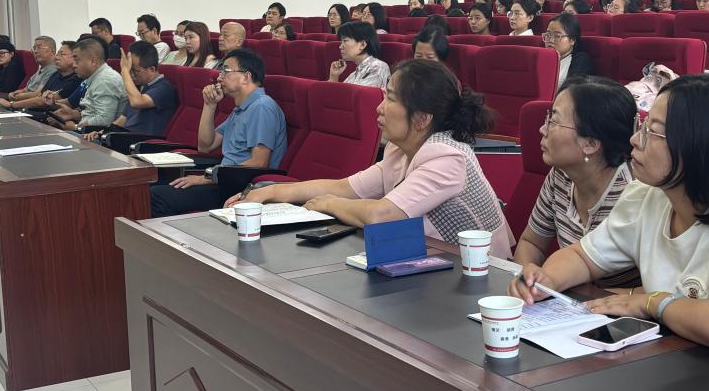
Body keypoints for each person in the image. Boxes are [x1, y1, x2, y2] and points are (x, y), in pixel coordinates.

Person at [509, 73, 709, 353]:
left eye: (652, 132)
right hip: (693, 359)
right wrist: (546, 279)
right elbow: (582, 257)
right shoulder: (649, 199)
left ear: (700, 147)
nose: (634, 140)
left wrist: (651, 302)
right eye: (642, 127)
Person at [230, 60, 513, 257]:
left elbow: (381, 215)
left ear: (422, 118)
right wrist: (270, 192)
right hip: (429, 256)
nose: (379, 107)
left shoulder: (447, 157)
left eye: (390, 99)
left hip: (479, 273)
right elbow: (346, 187)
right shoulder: (399, 149)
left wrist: (329, 204)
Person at [513, 76, 638, 287]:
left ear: (590, 144)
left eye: (553, 121)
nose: (542, 129)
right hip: (567, 300)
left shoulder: (633, 193)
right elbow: (531, 242)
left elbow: (659, 288)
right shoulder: (561, 175)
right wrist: (527, 280)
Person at [150, 48, 287, 216]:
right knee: (156, 184)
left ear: (246, 77)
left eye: (226, 71)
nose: (219, 77)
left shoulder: (261, 107)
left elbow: (259, 163)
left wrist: (207, 178)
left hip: (240, 188)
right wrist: (209, 105)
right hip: (224, 180)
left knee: (158, 196)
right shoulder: (241, 109)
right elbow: (205, 146)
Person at [85, 41, 177, 143]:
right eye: (130, 71)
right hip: (124, 137)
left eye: (135, 71)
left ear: (152, 69)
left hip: (142, 143)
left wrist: (125, 71)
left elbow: (137, 102)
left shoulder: (164, 88)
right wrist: (101, 133)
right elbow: (122, 119)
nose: (132, 75)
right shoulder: (139, 88)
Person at [46, 36, 125, 132]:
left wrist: (76, 127)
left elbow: (104, 121)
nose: (74, 65)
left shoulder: (105, 80)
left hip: (96, 137)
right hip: (87, 132)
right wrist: (73, 114)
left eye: (77, 60)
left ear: (93, 61)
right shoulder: (93, 77)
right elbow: (92, 113)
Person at [3, 41, 82, 110]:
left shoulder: (76, 79)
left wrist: (11, 104)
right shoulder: (55, 75)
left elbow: (42, 101)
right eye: (57, 53)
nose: (56, 57)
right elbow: (40, 96)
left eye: (61, 54)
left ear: (75, 57)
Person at [0, 36, 57, 107]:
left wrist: (12, 98)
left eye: (39, 47)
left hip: (28, 107)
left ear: (52, 51)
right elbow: (26, 89)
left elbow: (37, 94)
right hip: (19, 103)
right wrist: (16, 93)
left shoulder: (53, 70)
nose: (35, 51)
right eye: (34, 48)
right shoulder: (42, 69)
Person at [330, 21, 389, 88]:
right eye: (341, 42)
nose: (340, 46)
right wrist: (334, 76)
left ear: (362, 45)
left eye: (345, 41)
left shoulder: (378, 67)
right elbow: (337, 93)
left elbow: (358, 94)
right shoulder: (354, 73)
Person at [543, 13, 594, 87]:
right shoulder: (541, 57)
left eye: (557, 36)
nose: (550, 40)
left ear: (572, 40)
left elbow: (572, 90)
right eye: (548, 35)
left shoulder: (581, 60)